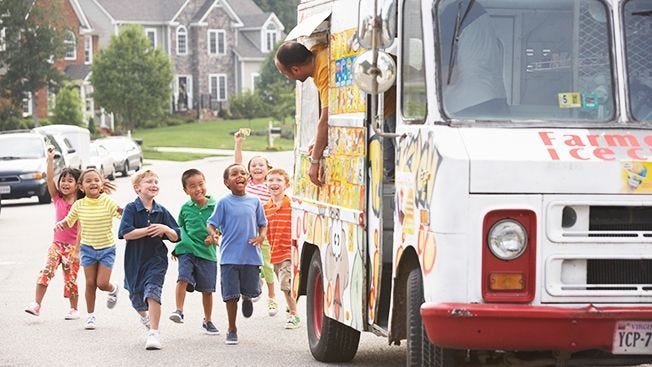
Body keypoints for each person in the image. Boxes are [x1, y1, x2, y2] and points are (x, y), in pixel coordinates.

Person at [118, 170, 180, 350]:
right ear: (137, 188)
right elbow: (126, 233)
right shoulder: (131, 208)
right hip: (135, 262)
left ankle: (154, 332)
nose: (154, 184)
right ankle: (145, 318)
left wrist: (165, 229)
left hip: (156, 260)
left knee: (153, 292)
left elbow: (176, 235)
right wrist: (149, 230)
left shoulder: (161, 211)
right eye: (148, 182)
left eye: (156, 181)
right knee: (135, 297)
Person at [207, 163, 267, 345]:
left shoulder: (255, 201)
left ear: (248, 178)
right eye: (234, 174)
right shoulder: (224, 202)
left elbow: (263, 223)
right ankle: (232, 328)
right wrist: (213, 233)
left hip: (250, 255)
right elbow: (211, 223)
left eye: (243, 173)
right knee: (231, 295)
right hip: (229, 257)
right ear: (227, 182)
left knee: (251, 289)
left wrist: (261, 236)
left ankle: (248, 295)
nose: (240, 176)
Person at [55, 168, 121, 330]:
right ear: (81, 187)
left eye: (96, 180)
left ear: (101, 184)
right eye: (88, 180)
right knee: (90, 283)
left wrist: (130, 213)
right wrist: (61, 224)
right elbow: (69, 220)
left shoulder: (107, 201)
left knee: (102, 283)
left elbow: (121, 214)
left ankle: (113, 289)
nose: (93, 183)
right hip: (88, 249)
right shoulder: (79, 204)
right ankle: (90, 316)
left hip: (106, 248)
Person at [25, 146, 83, 319]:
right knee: (46, 271)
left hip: (72, 248)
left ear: (77, 185)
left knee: (70, 279)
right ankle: (37, 304)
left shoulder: (80, 203)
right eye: (63, 180)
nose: (65, 183)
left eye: (70, 180)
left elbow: (81, 228)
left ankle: (74, 309)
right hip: (56, 246)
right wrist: (50, 160)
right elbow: (49, 178)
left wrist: (78, 250)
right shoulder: (57, 198)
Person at [169, 169, 219, 336]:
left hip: (207, 252)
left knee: (207, 289)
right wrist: (177, 247)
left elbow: (222, 227)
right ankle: (179, 310)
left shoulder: (215, 206)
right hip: (188, 249)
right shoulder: (185, 208)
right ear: (186, 190)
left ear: (205, 183)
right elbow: (180, 228)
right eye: (192, 186)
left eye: (201, 184)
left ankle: (208, 320)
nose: (198, 189)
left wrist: (214, 237)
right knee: (182, 277)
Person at [234, 131, 278, 317]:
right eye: (253, 165)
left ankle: (272, 298)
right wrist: (238, 144)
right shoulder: (246, 183)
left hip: (265, 231)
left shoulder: (271, 184)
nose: (257, 167)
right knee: (248, 263)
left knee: (266, 264)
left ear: (268, 168)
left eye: (261, 165)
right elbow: (237, 165)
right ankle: (253, 286)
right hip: (246, 231)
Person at [438, 0, 507, 117]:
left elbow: (449, 75)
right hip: (497, 100)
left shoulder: (453, 13)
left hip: (468, 105)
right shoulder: (479, 11)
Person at [275, 41, 329, 186]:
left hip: (386, 111)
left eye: (285, 74)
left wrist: (315, 161)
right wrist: (316, 140)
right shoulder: (317, 52)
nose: (287, 77)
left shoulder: (323, 70)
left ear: (295, 69)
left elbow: (326, 118)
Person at [263, 168, 300, 329]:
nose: (274, 183)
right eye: (270, 180)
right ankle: (292, 304)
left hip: (290, 252)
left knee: (285, 284)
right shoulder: (266, 208)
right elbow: (262, 230)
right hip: (275, 253)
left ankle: (294, 315)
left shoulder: (292, 205)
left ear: (287, 185)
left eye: (278, 180)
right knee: (287, 285)